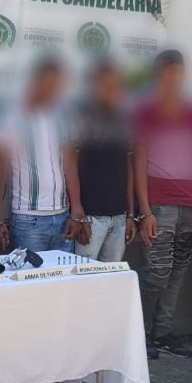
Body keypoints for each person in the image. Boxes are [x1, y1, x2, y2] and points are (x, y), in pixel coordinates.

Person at [134, 49, 192, 361]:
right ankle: (138, 334)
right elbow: (139, 162)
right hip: (160, 205)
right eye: (167, 73)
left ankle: (162, 332)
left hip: (191, 206)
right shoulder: (146, 112)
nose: (173, 79)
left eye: (178, 73)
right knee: (157, 272)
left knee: (177, 272)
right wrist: (145, 212)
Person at [0, 57, 76, 254]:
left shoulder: (62, 116)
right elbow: (0, 173)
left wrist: (76, 211)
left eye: (56, 84)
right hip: (28, 219)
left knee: (63, 275)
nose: (51, 89)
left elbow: (70, 166)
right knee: (31, 274)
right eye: (47, 83)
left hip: (63, 216)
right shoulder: (13, 117)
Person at [66, 59, 136, 262]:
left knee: (111, 278)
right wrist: (78, 212)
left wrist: (130, 214)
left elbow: (128, 168)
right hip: (91, 219)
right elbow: (70, 165)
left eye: (114, 85)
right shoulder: (81, 118)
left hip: (120, 218)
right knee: (84, 277)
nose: (110, 90)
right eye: (104, 84)